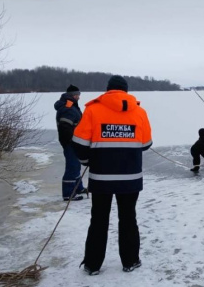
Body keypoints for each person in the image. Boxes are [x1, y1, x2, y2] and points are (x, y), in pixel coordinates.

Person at [72, 75, 152, 275]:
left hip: (101, 178)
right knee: (128, 218)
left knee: (99, 220)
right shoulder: (140, 112)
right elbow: (146, 144)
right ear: (126, 91)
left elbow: (79, 143)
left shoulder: (93, 110)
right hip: (130, 178)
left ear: (108, 90)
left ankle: (93, 264)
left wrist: (86, 161)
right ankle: (130, 261)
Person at [54, 84, 87, 201]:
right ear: (73, 95)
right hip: (71, 143)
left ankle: (78, 188)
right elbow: (65, 128)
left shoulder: (72, 106)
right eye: (78, 95)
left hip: (75, 142)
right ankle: (68, 194)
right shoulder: (68, 108)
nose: (79, 97)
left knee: (76, 165)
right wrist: (71, 141)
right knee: (72, 167)